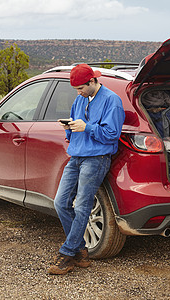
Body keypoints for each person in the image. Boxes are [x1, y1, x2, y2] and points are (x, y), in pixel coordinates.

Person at [47, 64, 125, 275]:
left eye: (81, 88)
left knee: (82, 206)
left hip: (96, 159)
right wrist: (69, 128)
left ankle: (67, 254)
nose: (78, 93)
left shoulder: (112, 101)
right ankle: (81, 250)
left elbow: (112, 134)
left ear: (92, 82)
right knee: (60, 202)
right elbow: (75, 129)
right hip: (76, 157)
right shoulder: (80, 99)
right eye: (76, 90)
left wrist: (87, 127)